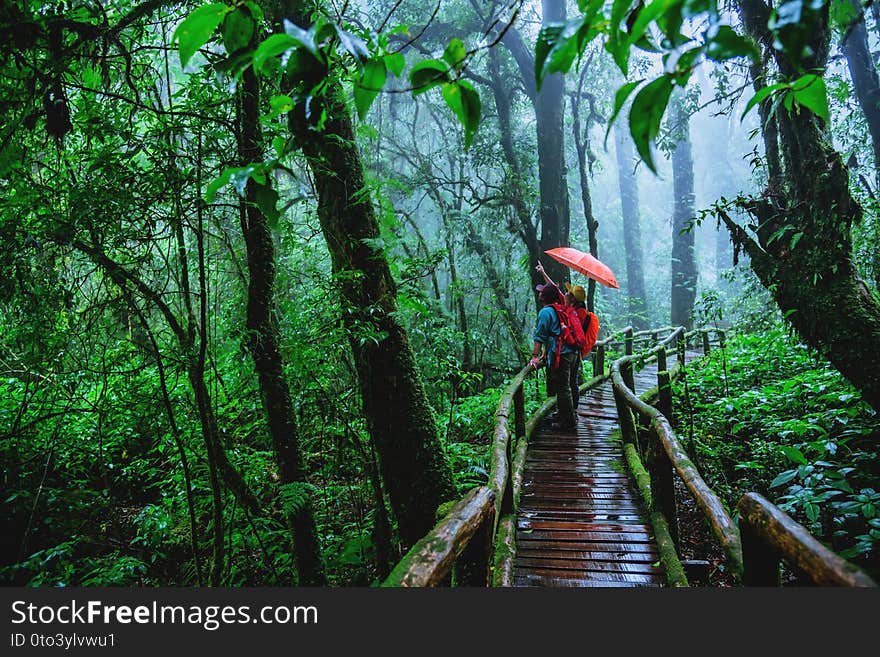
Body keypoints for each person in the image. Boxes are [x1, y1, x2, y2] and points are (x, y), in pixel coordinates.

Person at [529, 282, 578, 431]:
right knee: (568, 385)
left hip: (561, 353)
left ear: (544, 296)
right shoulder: (559, 308)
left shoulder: (545, 312)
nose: (539, 293)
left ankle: (568, 422)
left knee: (563, 388)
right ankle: (566, 415)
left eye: (541, 291)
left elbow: (540, 336)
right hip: (571, 351)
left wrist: (534, 356)